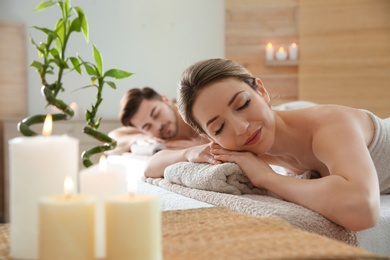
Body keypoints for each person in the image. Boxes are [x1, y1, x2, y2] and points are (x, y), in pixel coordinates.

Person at [177, 58, 390, 231]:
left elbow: (363, 210)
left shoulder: (330, 122)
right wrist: (193, 153)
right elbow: (153, 166)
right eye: (219, 128)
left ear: (261, 91)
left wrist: (268, 178)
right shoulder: (246, 149)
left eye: (242, 104)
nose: (241, 128)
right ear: (210, 137)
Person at [109, 87, 216, 176]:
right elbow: (110, 140)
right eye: (147, 127)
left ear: (165, 100)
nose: (158, 126)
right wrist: (138, 138)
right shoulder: (145, 134)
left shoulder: (198, 111)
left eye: (156, 114)